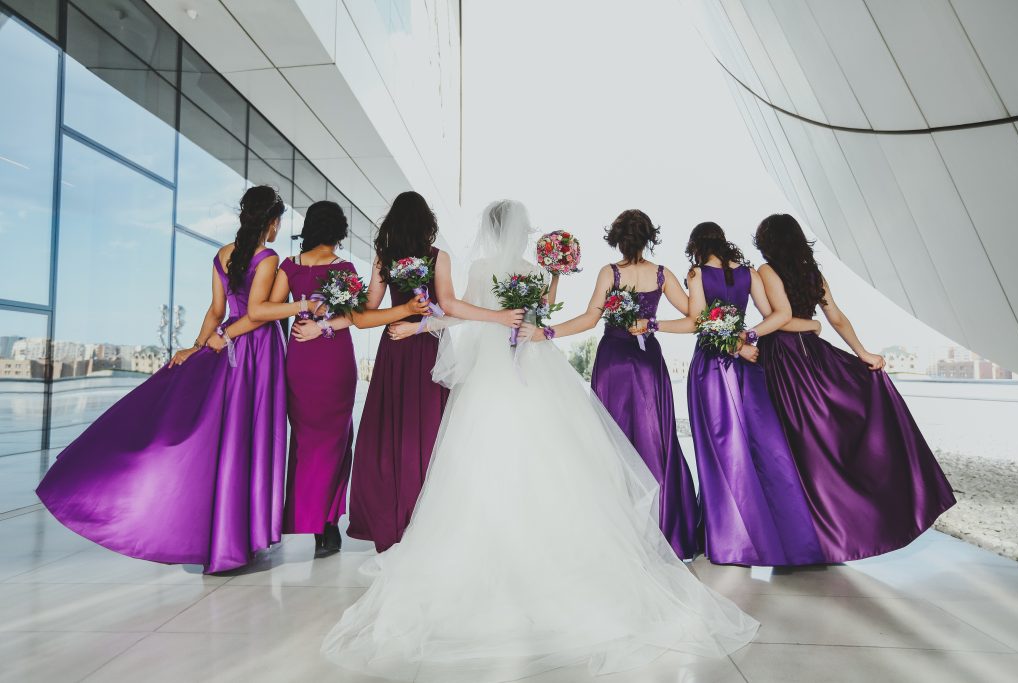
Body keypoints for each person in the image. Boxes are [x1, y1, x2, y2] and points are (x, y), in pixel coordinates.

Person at [321, 200, 758, 683]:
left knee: (481, 458)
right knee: (550, 456)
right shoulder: (531, 269)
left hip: (492, 372)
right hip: (530, 364)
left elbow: (458, 313)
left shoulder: (483, 267)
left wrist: (424, 324)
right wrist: (539, 301)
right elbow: (536, 315)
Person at [36, 185, 289, 573]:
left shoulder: (222, 255)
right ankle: (241, 536)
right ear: (271, 221)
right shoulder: (268, 257)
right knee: (249, 437)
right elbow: (255, 314)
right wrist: (216, 340)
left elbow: (215, 309)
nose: (276, 229)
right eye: (277, 222)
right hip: (252, 350)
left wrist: (198, 347)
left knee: (226, 438)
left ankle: (227, 536)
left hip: (226, 348)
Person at [753, 213, 956, 562]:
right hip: (814, 357)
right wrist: (860, 352)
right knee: (820, 443)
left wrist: (762, 333)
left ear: (768, 241)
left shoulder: (766, 271)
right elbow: (836, 318)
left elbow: (779, 319)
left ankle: (809, 535)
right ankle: (828, 531)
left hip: (784, 361)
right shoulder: (812, 273)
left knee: (795, 444)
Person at [248, 200, 430, 559]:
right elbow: (354, 317)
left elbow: (265, 310)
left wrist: (302, 311)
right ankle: (328, 526)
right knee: (334, 440)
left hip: (301, 357)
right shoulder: (343, 268)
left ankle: (311, 520)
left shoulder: (289, 266)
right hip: (333, 358)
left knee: (305, 440)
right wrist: (316, 316)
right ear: (338, 232)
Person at [353, 191, 527, 552]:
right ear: (426, 223)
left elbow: (365, 315)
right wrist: (497, 317)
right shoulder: (437, 257)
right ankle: (424, 521)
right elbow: (449, 305)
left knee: (390, 433)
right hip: (427, 348)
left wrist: (399, 315)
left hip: (395, 345)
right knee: (427, 434)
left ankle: (392, 521)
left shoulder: (383, 258)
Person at [525, 209, 702, 559]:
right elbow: (695, 319)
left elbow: (591, 319)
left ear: (617, 239)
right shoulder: (662, 274)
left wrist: (546, 333)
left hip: (613, 363)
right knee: (656, 439)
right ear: (650, 237)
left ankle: (617, 532)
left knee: (610, 440)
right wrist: (653, 324)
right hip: (648, 362)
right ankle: (664, 530)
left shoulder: (611, 272)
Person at [647, 222, 825, 566]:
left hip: (711, 369)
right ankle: (793, 540)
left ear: (697, 245)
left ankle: (730, 542)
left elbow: (698, 322)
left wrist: (656, 325)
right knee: (765, 448)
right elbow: (781, 314)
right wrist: (749, 338)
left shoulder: (697, 273)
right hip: (749, 369)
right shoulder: (749, 273)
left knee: (718, 452)